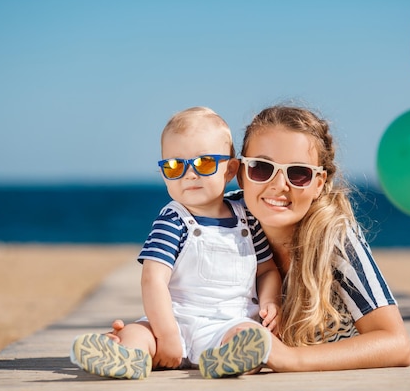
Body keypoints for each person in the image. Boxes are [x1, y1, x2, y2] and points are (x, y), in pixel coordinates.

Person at [70, 106, 282, 379]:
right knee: (137, 333)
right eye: (173, 166)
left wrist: (270, 302)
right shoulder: (174, 219)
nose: (189, 174)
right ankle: (124, 356)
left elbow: (267, 270)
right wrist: (166, 333)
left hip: (229, 323)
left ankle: (225, 361)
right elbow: (153, 280)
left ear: (230, 170)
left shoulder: (247, 218)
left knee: (253, 339)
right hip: (173, 321)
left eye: (204, 163)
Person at [228, 104, 410, 371]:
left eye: (298, 173)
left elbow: (396, 343)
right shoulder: (221, 224)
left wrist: (290, 358)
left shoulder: (333, 237)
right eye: (261, 168)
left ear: (318, 183)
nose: (279, 185)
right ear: (242, 174)